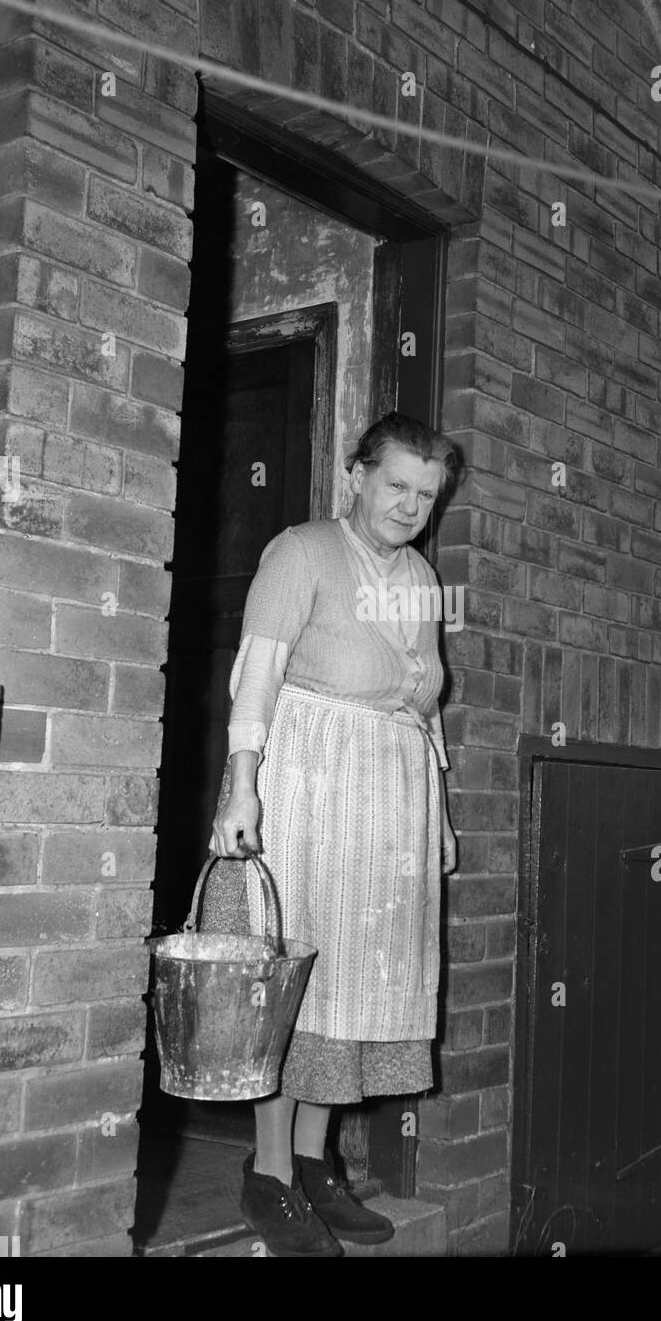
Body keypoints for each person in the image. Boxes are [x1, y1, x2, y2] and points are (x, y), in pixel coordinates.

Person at [209, 412, 460, 1258]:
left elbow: (424, 708)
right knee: (294, 980)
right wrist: (241, 788)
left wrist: (443, 819)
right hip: (308, 786)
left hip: (390, 802)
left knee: (354, 979)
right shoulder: (299, 552)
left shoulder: (422, 578)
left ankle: (316, 1165)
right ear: (355, 474)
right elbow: (256, 677)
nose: (410, 505)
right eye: (396, 485)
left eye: (427, 494)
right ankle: (269, 1175)